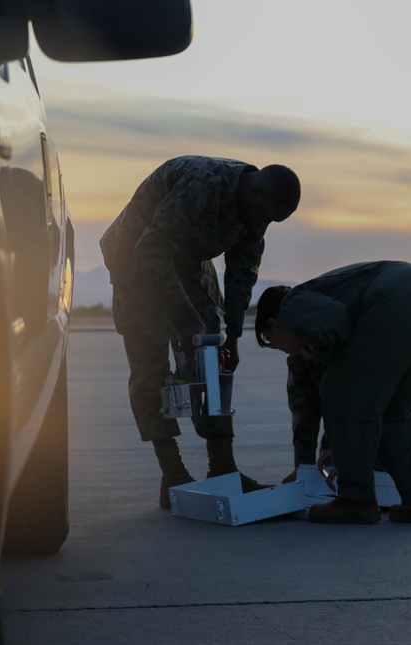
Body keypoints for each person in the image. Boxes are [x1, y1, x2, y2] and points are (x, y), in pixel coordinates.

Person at [100, 155, 301, 509]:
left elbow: (242, 271)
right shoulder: (202, 184)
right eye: (266, 215)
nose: (264, 223)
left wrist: (233, 336)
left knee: (213, 356)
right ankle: (173, 473)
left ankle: (222, 469)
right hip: (136, 259)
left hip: (187, 261)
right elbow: (151, 247)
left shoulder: (257, 207)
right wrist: (185, 314)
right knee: (152, 367)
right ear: (254, 192)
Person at [255, 260, 411, 524]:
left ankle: (355, 501)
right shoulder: (319, 301)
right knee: (395, 410)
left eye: (272, 343)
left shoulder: (292, 305)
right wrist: (314, 464)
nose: (282, 350)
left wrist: (318, 349)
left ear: (274, 325)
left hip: (405, 296)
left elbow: (337, 323)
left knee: (340, 392)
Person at [283, 351, 411, 487]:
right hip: (346, 420)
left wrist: (348, 453)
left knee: (385, 473)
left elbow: (370, 405)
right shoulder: (299, 354)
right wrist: (303, 468)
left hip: (396, 406)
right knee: (329, 471)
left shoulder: (354, 341)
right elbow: (303, 412)